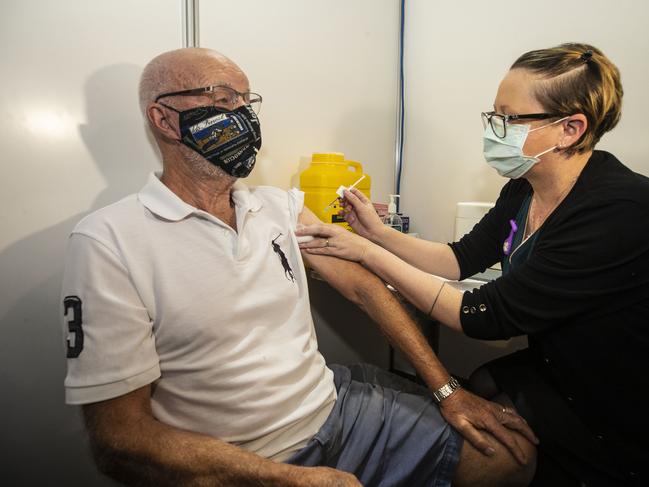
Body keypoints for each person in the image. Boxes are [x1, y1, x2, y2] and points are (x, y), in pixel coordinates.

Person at [61, 47, 537, 487]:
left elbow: (364, 288)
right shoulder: (109, 241)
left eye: (248, 102)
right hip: (235, 457)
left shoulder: (278, 207)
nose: (243, 116)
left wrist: (448, 390)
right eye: (223, 99)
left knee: (510, 455)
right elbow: (118, 440)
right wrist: (288, 479)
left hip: (333, 408)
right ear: (164, 119)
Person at [298, 43, 649, 487]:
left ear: (570, 129)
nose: (494, 129)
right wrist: (376, 233)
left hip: (612, 393)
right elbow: (460, 258)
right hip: (554, 365)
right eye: (493, 115)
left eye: (509, 118)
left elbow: (483, 316)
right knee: (483, 382)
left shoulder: (618, 208)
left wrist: (369, 255)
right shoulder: (525, 188)